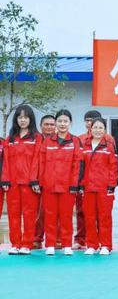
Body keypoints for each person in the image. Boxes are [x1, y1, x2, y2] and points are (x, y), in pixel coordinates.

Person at [1, 105, 43, 255]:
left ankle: (27, 244)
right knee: (13, 214)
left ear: (31, 119)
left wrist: (34, 180)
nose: (23, 120)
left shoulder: (37, 138)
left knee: (29, 214)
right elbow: (5, 161)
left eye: (26, 117)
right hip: (13, 183)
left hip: (29, 184)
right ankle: (15, 244)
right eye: (20, 117)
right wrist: (5, 180)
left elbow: (37, 160)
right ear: (16, 119)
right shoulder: (10, 139)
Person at [40, 109, 82, 256]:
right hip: (49, 185)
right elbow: (41, 163)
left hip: (67, 186)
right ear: (56, 123)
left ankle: (66, 244)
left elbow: (77, 163)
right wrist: (41, 182)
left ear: (70, 123)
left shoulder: (75, 141)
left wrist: (74, 184)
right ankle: (50, 244)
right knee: (50, 215)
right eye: (60, 121)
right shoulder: (47, 141)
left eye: (65, 121)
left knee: (66, 216)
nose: (63, 124)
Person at [81, 117, 117, 255]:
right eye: (95, 127)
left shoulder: (109, 146)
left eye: (100, 128)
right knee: (89, 217)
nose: (97, 130)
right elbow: (80, 166)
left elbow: (113, 167)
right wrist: (81, 185)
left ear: (105, 130)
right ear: (90, 129)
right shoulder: (84, 146)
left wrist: (111, 185)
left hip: (104, 188)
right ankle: (91, 244)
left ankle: (106, 245)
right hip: (88, 187)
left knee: (105, 217)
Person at [33, 114, 56, 250]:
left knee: (56, 212)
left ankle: (57, 239)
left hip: (54, 182)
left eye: (52, 125)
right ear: (41, 126)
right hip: (36, 181)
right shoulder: (35, 139)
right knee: (38, 212)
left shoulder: (61, 140)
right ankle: (36, 238)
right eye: (46, 124)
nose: (49, 127)